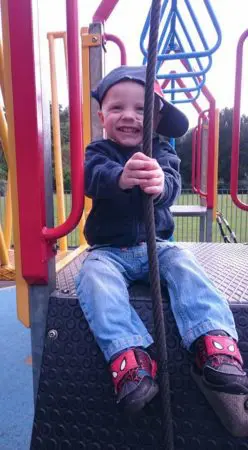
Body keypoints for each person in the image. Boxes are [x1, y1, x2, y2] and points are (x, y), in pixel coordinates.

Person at [75, 65, 248, 415]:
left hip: (158, 246)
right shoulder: (99, 152)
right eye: (117, 108)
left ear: (155, 119)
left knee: (185, 265)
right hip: (108, 251)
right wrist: (120, 178)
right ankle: (130, 358)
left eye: (141, 109)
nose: (129, 116)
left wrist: (159, 184)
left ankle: (213, 342)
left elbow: (170, 183)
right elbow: (92, 178)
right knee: (93, 278)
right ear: (102, 116)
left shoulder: (163, 152)